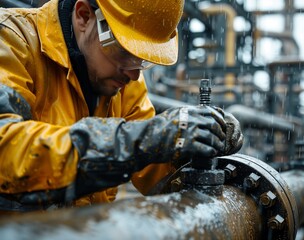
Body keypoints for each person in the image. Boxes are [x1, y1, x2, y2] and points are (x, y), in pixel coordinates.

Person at [0, 0, 243, 212]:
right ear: (84, 16)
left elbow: (159, 175)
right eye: (124, 51)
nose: (134, 75)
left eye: (142, 59)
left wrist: (197, 145)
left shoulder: (123, 80)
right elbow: (8, 152)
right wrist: (145, 138)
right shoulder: (10, 40)